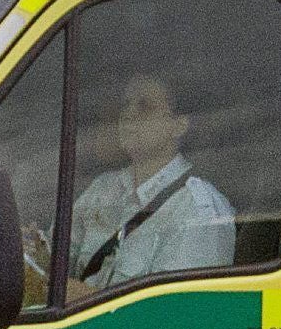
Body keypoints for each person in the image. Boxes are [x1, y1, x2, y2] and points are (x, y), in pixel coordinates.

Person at [64, 70, 235, 293]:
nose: (129, 114)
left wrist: (82, 298)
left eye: (145, 107)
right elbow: (54, 258)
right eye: (126, 105)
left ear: (179, 125)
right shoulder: (103, 189)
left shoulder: (198, 211)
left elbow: (175, 316)